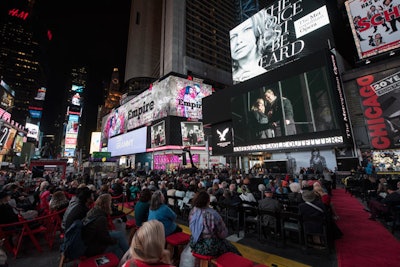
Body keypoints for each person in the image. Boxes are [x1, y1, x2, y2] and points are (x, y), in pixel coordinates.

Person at [230, 9, 281, 83]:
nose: (239, 41)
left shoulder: (267, 75)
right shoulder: (229, 79)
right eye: (232, 37)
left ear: (258, 31)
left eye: (246, 30)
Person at [189, 191, 241, 257]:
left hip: (194, 243)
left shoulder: (193, 211)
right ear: (208, 201)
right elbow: (223, 234)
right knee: (233, 251)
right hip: (208, 247)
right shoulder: (212, 214)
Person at [82, 193, 129, 259]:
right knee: (117, 244)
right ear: (106, 204)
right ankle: (127, 258)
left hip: (90, 240)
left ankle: (126, 257)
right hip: (93, 246)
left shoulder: (94, 210)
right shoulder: (101, 218)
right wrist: (114, 241)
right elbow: (104, 238)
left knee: (119, 234)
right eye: (110, 202)